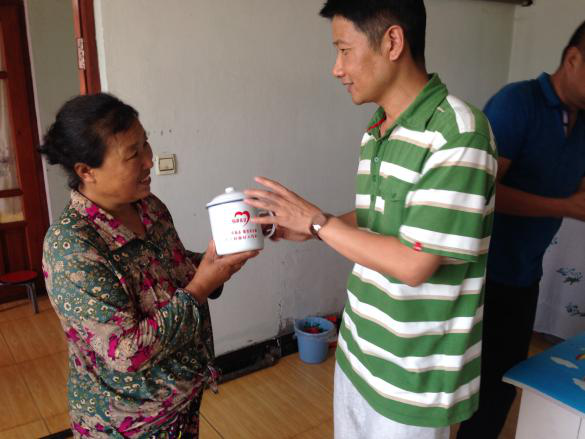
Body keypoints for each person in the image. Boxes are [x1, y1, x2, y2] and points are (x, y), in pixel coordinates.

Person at [245, 1, 497, 438]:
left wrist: (318, 222)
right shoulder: (378, 130)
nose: (336, 68)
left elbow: (414, 263)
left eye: (344, 50)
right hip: (358, 352)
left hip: (414, 379)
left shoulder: (459, 133)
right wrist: (313, 228)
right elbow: (377, 216)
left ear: (393, 42)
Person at [39, 93, 258, 439]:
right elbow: (127, 351)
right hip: (129, 424)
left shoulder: (148, 206)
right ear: (86, 171)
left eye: (146, 144)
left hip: (181, 402)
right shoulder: (72, 248)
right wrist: (202, 285)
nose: (149, 160)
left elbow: (170, 270)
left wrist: (218, 263)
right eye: (133, 154)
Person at [457, 20, 585, 439]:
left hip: (524, 273)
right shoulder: (517, 103)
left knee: (503, 381)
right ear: (573, 59)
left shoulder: (581, 123)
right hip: (478, 273)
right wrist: (564, 206)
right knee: (465, 381)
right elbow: (480, 192)